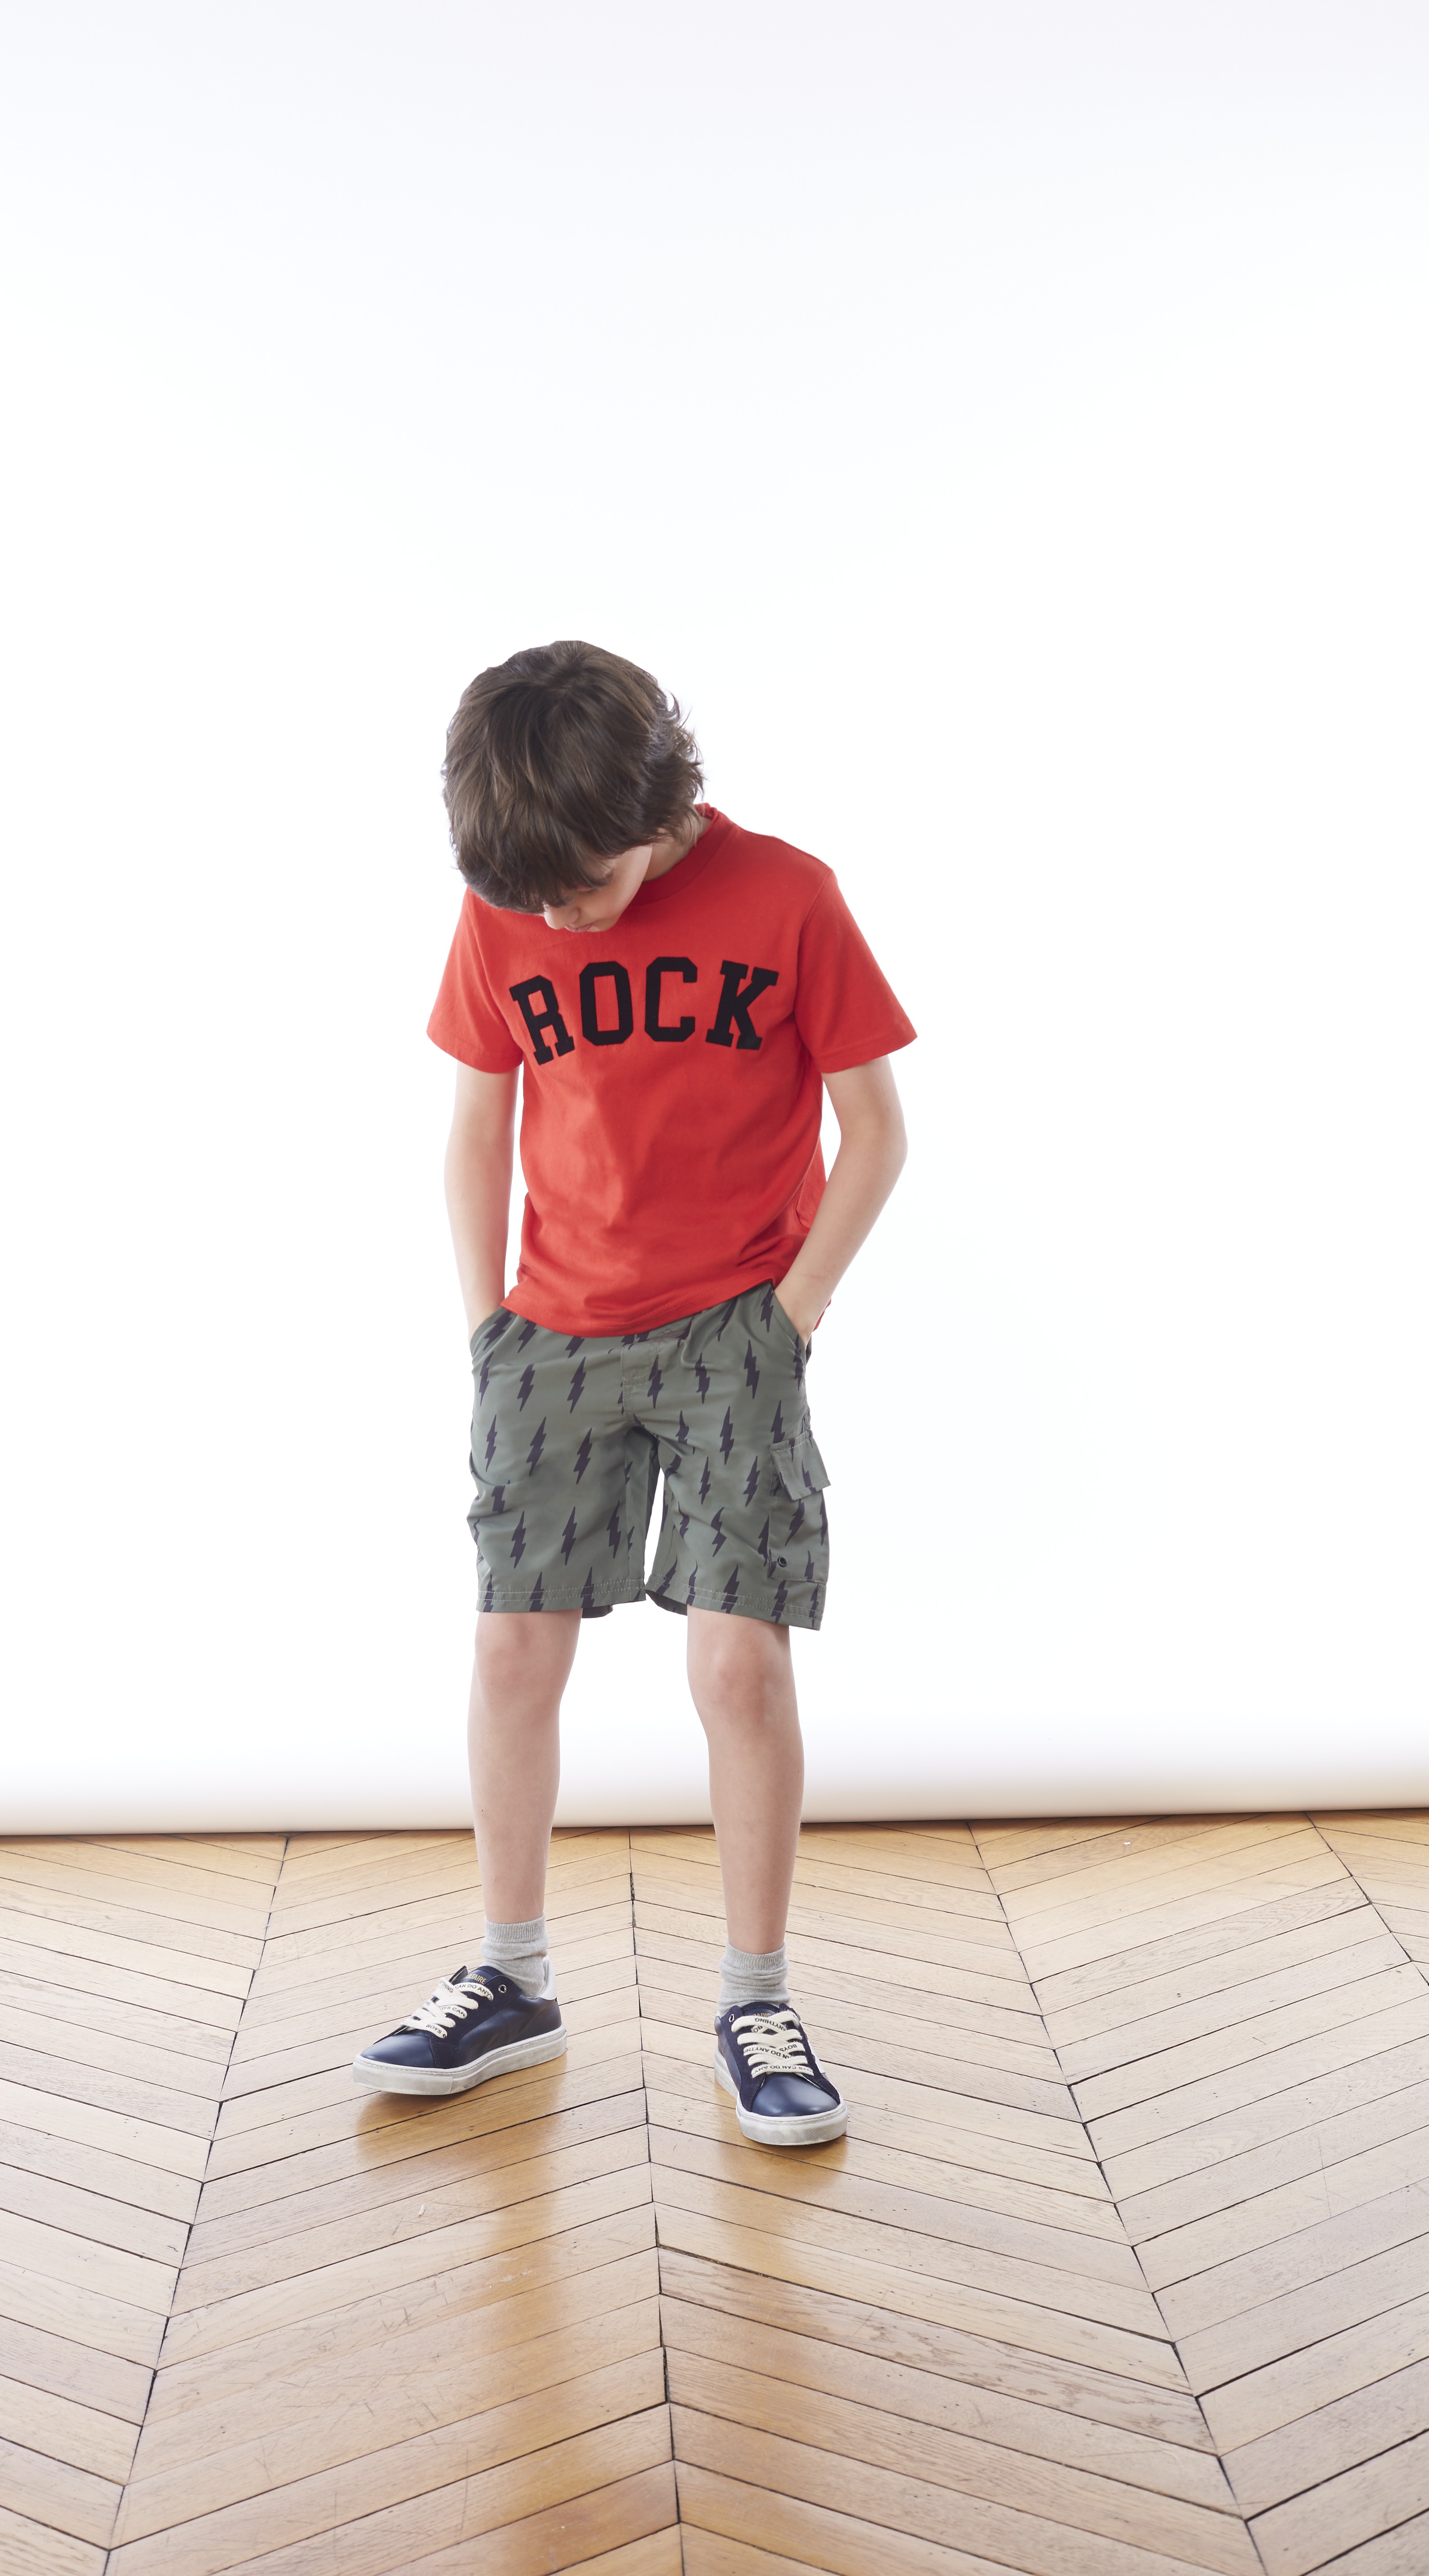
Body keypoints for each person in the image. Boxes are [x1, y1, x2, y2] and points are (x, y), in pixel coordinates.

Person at [353, 640, 913, 2146]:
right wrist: (489, 1327)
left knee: (739, 1667)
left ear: (659, 805)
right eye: (530, 899)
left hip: (735, 1329)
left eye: (585, 888)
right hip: (553, 1331)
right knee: (511, 1650)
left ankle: (756, 1998)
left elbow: (875, 1129)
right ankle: (512, 1976)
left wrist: (792, 1314)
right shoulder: (508, 903)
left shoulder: (788, 897)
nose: (558, 919)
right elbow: (478, 1127)